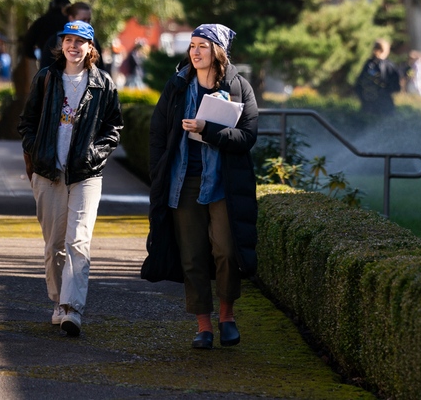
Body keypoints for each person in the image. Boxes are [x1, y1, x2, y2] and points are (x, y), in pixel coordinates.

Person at [143, 24, 259, 350]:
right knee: (191, 254)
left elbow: (248, 137)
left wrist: (208, 129)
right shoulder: (178, 86)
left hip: (224, 181)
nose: (195, 52)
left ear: (218, 51)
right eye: (192, 46)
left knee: (226, 249)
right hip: (184, 181)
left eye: (202, 46)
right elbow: (157, 134)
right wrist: (158, 173)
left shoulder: (238, 87)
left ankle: (227, 316)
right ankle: (203, 325)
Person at [18, 20, 123, 337]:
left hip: (86, 175)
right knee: (54, 246)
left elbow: (113, 129)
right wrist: (35, 152)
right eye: (68, 40)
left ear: (91, 48)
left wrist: (94, 155)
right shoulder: (47, 78)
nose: (73, 46)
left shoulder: (103, 84)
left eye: (81, 41)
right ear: (61, 45)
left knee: (78, 241)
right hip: (49, 172)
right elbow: (28, 123)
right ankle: (58, 301)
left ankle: (72, 308)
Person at [40, 2, 104, 71]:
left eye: (88, 20)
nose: (86, 23)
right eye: (83, 20)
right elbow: (45, 68)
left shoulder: (93, 40)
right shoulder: (55, 40)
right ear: (71, 18)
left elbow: (100, 68)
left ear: (90, 47)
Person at [354, 39, 401, 113]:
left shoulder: (368, 65)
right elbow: (395, 85)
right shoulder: (388, 65)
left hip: (368, 102)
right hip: (385, 103)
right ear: (386, 50)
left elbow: (359, 83)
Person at [23, 0, 71, 67]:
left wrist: (34, 57)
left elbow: (28, 43)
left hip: (46, 63)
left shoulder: (41, 21)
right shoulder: (69, 22)